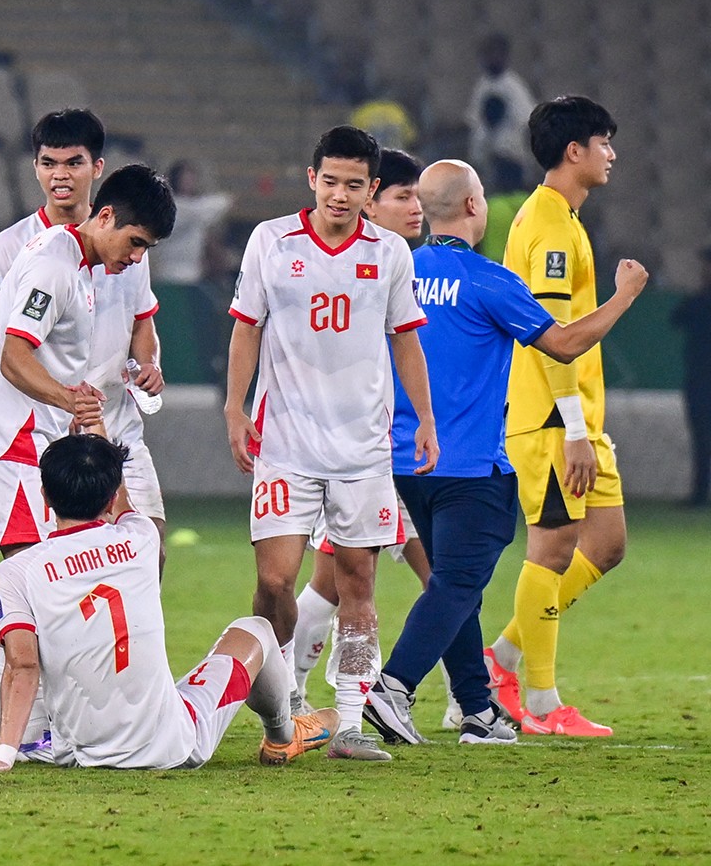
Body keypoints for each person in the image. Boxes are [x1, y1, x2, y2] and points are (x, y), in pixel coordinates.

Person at [361, 160, 645, 747]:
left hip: (405, 460)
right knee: (459, 584)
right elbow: (562, 344)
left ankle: (477, 709)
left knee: (452, 584)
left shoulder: (396, 272)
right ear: (472, 206)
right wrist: (622, 298)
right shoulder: (488, 280)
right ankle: (393, 687)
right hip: (471, 465)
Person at [225, 125, 438, 763]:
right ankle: (290, 702)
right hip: (285, 443)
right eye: (331, 181)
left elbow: (405, 337)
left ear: (371, 190)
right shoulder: (270, 241)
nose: (340, 195)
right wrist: (235, 407)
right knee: (274, 581)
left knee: (357, 583)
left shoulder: (390, 253)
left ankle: (347, 723)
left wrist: (425, 417)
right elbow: (246, 328)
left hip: (362, 450)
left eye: (354, 184)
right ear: (311, 178)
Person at [0, 162, 175, 758]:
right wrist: (69, 400)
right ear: (105, 216)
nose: (136, 257)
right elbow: (11, 356)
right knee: (37, 589)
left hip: (33, 442)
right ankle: (17, 731)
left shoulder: (75, 261)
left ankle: (29, 727)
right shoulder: (54, 266)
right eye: (135, 242)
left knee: (50, 587)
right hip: (14, 446)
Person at [0, 435, 332, 773]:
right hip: (172, 744)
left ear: (44, 496)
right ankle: (283, 734)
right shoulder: (140, 538)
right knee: (257, 629)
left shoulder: (19, 570)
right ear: (111, 496)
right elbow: (124, 502)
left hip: (77, 753)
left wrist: (3, 756)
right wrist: (97, 426)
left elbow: (22, 665)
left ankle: (23, 743)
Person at [485, 96, 632, 737]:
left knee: (606, 543)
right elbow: (551, 337)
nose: (612, 154)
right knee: (550, 549)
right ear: (575, 151)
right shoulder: (547, 224)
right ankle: (542, 706)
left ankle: (502, 656)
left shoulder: (562, 218)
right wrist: (572, 429)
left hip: (576, 419)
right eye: (604, 142)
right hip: (552, 419)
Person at [287, 148, 439, 718]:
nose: (416, 206)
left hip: (392, 451)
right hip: (355, 452)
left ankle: (310, 688)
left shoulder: (400, 263)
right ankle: (458, 698)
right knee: (429, 580)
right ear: (370, 201)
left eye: (419, 195)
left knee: (345, 581)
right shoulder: (337, 262)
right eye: (403, 196)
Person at [670, 248, 711, 507]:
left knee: (702, 437)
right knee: (701, 438)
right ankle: (699, 491)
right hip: (700, 380)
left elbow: (678, 317)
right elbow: (676, 317)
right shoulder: (699, 300)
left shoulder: (700, 301)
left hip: (700, 380)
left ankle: (699, 493)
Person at [152, 160, 232, 286]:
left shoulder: (195, 209)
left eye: (192, 178)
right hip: (170, 273)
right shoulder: (172, 206)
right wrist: (231, 199)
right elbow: (209, 207)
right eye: (185, 179)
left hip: (192, 273)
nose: (190, 182)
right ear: (176, 179)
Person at [467, 33, 536, 175]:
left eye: (496, 53)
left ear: (505, 56)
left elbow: (526, 120)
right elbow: (475, 121)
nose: (492, 58)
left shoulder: (514, 85)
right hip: (484, 158)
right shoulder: (481, 86)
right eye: (488, 54)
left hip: (509, 157)